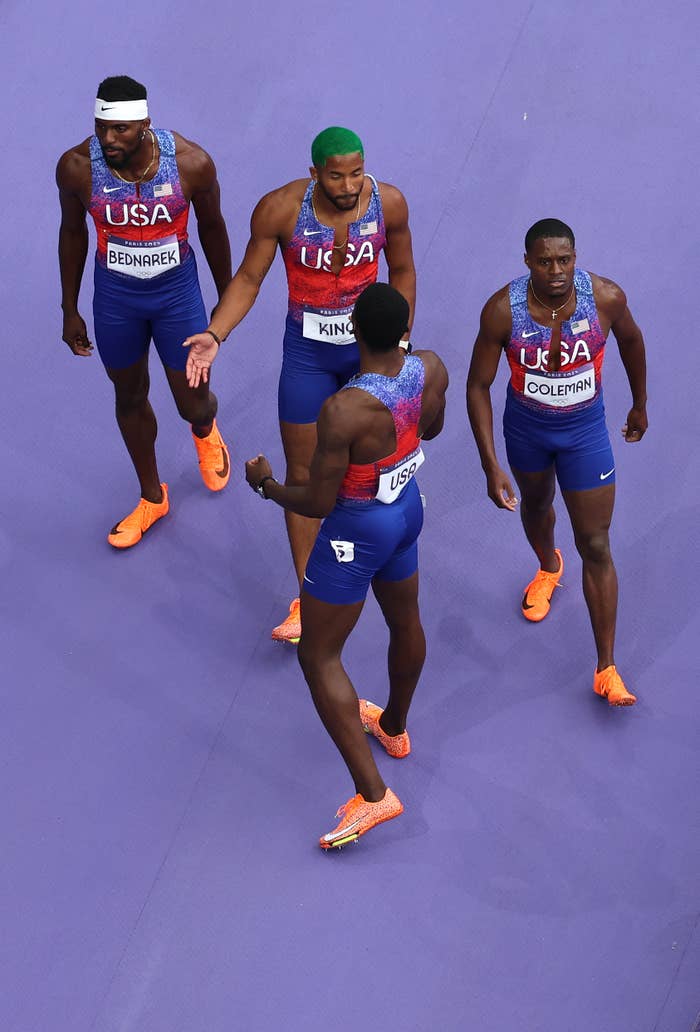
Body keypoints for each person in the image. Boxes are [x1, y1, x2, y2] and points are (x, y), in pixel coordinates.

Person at [185, 127, 416, 641]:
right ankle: (310, 598)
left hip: (366, 356)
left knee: (373, 469)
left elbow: (402, 270)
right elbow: (247, 279)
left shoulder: (389, 204)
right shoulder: (280, 210)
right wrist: (216, 334)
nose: (350, 184)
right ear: (315, 174)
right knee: (306, 471)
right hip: (308, 356)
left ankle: (378, 564)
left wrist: (398, 341)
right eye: (337, 176)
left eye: (357, 173)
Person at [245, 283, 448, 849]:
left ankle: (374, 797)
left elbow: (316, 503)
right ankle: (395, 727)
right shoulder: (430, 367)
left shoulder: (343, 410)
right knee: (405, 619)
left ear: (354, 331)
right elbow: (431, 428)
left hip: (356, 531)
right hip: (407, 511)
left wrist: (266, 487)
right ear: (404, 329)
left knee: (317, 653)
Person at [466, 218, 648, 705]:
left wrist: (639, 403)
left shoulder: (605, 298)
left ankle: (606, 668)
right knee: (536, 506)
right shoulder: (502, 311)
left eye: (564, 260)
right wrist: (490, 465)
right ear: (527, 262)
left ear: (575, 257)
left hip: (585, 433)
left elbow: (631, 341)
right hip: (527, 432)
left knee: (596, 542)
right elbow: (477, 386)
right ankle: (548, 566)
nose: (557, 271)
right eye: (544, 262)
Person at [56, 75, 232, 548]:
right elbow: (72, 233)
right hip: (116, 300)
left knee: (192, 400)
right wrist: (69, 308)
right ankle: (152, 497)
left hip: (177, 297)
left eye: (122, 131)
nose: (109, 140)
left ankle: (204, 429)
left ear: (146, 125)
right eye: (102, 128)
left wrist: (227, 298)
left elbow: (212, 227)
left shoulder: (192, 164)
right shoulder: (76, 168)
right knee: (129, 396)